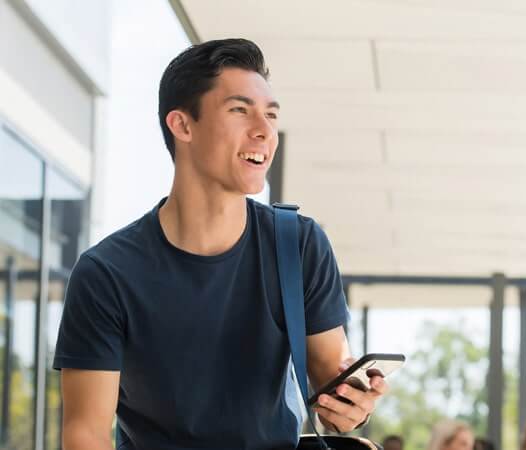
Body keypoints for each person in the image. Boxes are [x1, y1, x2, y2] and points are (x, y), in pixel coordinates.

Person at [54, 38, 389, 450]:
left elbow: (330, 376)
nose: (264, 131)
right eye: (239, 110)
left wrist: (353, 406)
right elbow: (86, 433)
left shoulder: (298, 244)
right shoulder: (107, 274)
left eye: (270, 115)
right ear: (182, 125)